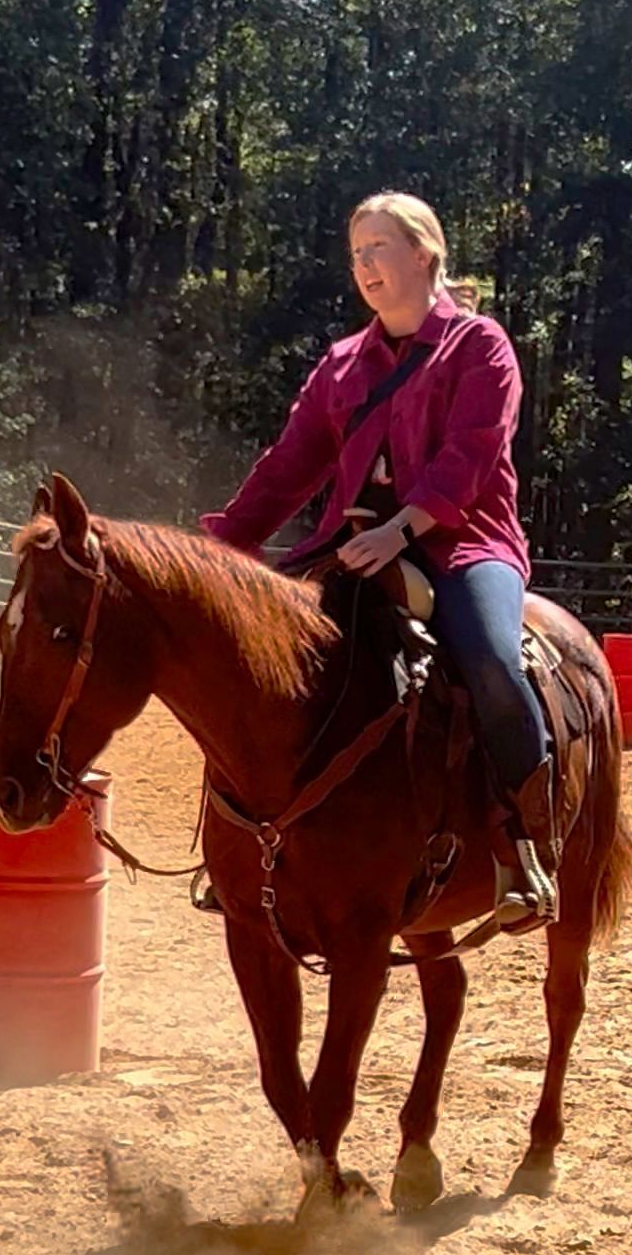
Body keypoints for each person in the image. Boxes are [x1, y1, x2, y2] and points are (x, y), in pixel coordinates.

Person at [200, 191, 558, 930]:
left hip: (463, 541)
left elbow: (471, 455)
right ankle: (233, 849)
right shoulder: (340, 366)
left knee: (491, 659)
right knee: (249, 667)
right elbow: (288, 468)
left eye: (379, 249)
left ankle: (525, 843)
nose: (364, 265)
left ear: (424, 254)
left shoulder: (480, 346)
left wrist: (402, 530)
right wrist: (222, 547)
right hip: (351, 542)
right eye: (356, 252)